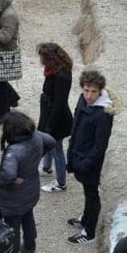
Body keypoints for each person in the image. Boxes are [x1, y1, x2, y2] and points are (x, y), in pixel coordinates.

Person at [0, 111, 55, 253]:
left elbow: (7, 175)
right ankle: (30, 248)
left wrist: (13, 179)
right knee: (28, 218)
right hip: (31, 189)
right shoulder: (35, 136)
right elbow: (51, 141)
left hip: (13, 198)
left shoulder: (14, 151)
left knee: (12, 227)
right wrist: (37, 159)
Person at [65, 69, 118, 244]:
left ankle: (89, 231)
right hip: (78, 155)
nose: (89, 95)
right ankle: (85, 218)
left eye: (93, 91)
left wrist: (86, 163)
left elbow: (100, 145)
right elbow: (76, 125)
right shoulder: (83, 100)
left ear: (100, 91)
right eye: (86, 90)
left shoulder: (103, 114)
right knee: (87, 192)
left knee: (92, 193)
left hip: (89, 161)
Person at [36, 42, 73, 194]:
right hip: (49, 113)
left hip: (56, 118)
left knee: (57, 148)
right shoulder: (56, 70)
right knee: (49, 143)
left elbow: (59, 103)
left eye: (43, 58)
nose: (41, 61)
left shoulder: (61, 76)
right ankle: (46, 168)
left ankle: (61, 183)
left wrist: (50, 125)